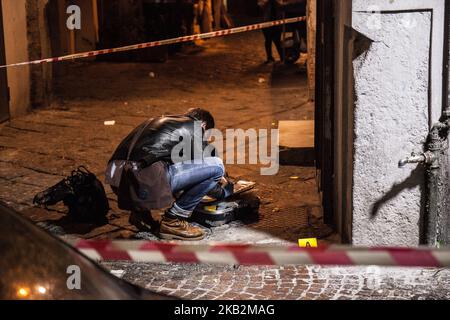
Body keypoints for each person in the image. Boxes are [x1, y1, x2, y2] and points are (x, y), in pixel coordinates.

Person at [105, 108, 233, 241]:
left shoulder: (161, 121)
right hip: (142, 181)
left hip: (117, 182)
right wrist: (225, 191)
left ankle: (140, 214)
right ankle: (174, 220)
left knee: (159, 167)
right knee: (217, 166)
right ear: (204, 125)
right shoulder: (194, 127)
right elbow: (205, 176)